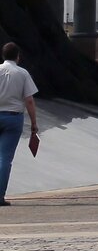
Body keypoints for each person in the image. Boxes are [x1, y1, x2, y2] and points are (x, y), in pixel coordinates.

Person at [0, 44, 37, 206]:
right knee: (4, 158)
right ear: (18, 56)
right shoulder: (22, 73)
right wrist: (34, 123)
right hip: (13, 118)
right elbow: (29, 100)